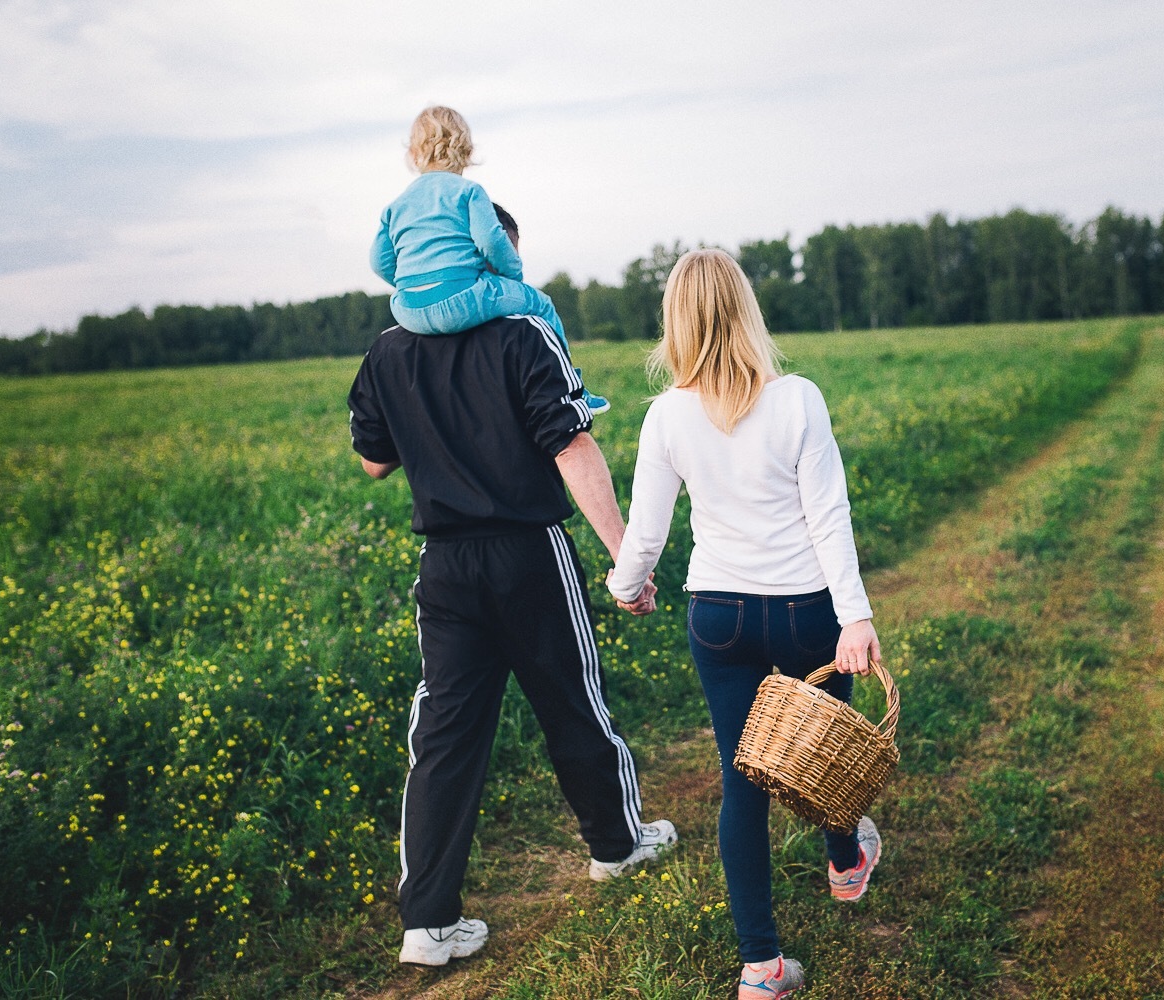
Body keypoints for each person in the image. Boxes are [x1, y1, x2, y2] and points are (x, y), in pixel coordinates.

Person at [348, 261, 672, 966]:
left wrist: (431, 419)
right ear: (490, 257)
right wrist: (627, 559)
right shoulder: (524, 332)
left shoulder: (388, 348)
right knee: (571, 701)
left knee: (443, 733)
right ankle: (616, 848)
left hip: (444, 566)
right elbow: (571, 443)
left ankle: (428, 925)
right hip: (528, 551)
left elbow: (373, 460)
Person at [606, 249, 884, 999]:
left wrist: (626, 586)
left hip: (718, 615)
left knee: (743, 779)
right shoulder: (798, 398)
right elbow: (829, 517)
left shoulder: (666, 415)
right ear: (746, 310)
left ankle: (760, 968)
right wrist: (853, 616)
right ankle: (845, 861)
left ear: (677, 325)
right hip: (803, 612)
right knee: (823, 751)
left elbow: (646, 533)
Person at [369, 104, 609, 413]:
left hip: (408, 310)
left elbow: (379, 261)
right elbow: (491, 241)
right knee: (541, 303)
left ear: (414, 151)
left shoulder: (395, 206)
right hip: (460, 300)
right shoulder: (468, 192)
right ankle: (572, 389)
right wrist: (512, 275)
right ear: (464, 148)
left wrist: (411, 283)